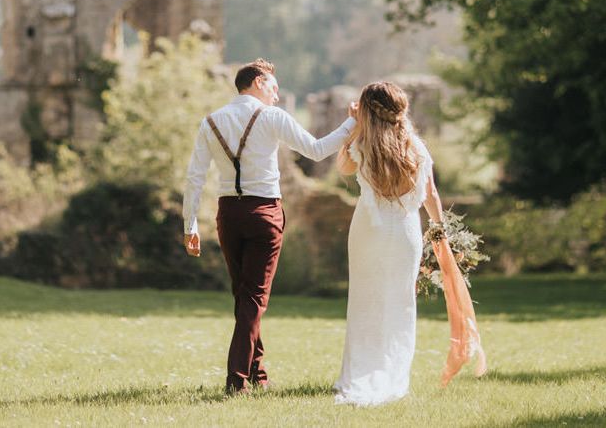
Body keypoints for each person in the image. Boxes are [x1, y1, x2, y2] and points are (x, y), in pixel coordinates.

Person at [182, 58, 356, 395]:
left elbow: (195, 176)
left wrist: (189, 223)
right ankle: (236, 380)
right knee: (253, 299)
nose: (277, 97)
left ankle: (257, 374)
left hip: (228, 214)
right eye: (274, 88)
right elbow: (317, 150)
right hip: (264, 213)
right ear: (259, 82)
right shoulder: (272, 117)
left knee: (244, 295)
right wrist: (350, 124)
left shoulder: (210, 121)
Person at [333, 81, 486, 406]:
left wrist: (354, 126)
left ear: (367, 111)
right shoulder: (416, 148)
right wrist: (439, 229)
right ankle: (393, 373)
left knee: (364, 301)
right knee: (400, 302)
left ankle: (359, 371)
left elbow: (341, 167)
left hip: (368, 232)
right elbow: (430, 194)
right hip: (405, 233)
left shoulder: (362, 146)